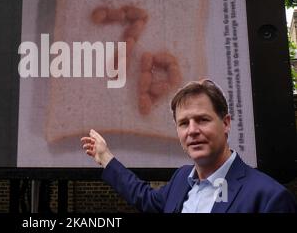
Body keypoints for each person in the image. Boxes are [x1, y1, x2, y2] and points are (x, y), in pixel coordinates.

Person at [81, 79, 297, 213]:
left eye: (202, 119)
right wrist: (105, 157)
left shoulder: (269, 198)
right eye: (184, 123)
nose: (192, 130)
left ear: (226, 123)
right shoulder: (181, 180)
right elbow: (144, 198)